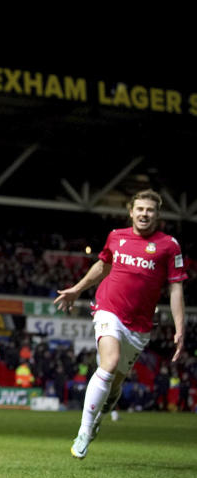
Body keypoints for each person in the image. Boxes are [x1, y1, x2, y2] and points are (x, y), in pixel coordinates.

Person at [55, 189, 187, 459]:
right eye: (139, 209)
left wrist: (180, 328)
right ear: (131, 211)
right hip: (108, 309)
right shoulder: (116, 236)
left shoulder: (169, 246)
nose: (144, 214)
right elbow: (103, 266)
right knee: (109, 362)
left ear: (157, 215)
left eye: (149, 210)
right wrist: (77, 289)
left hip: (139, 326)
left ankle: (103, 410)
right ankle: (84, 431)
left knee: (115, 383)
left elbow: (176, 290)